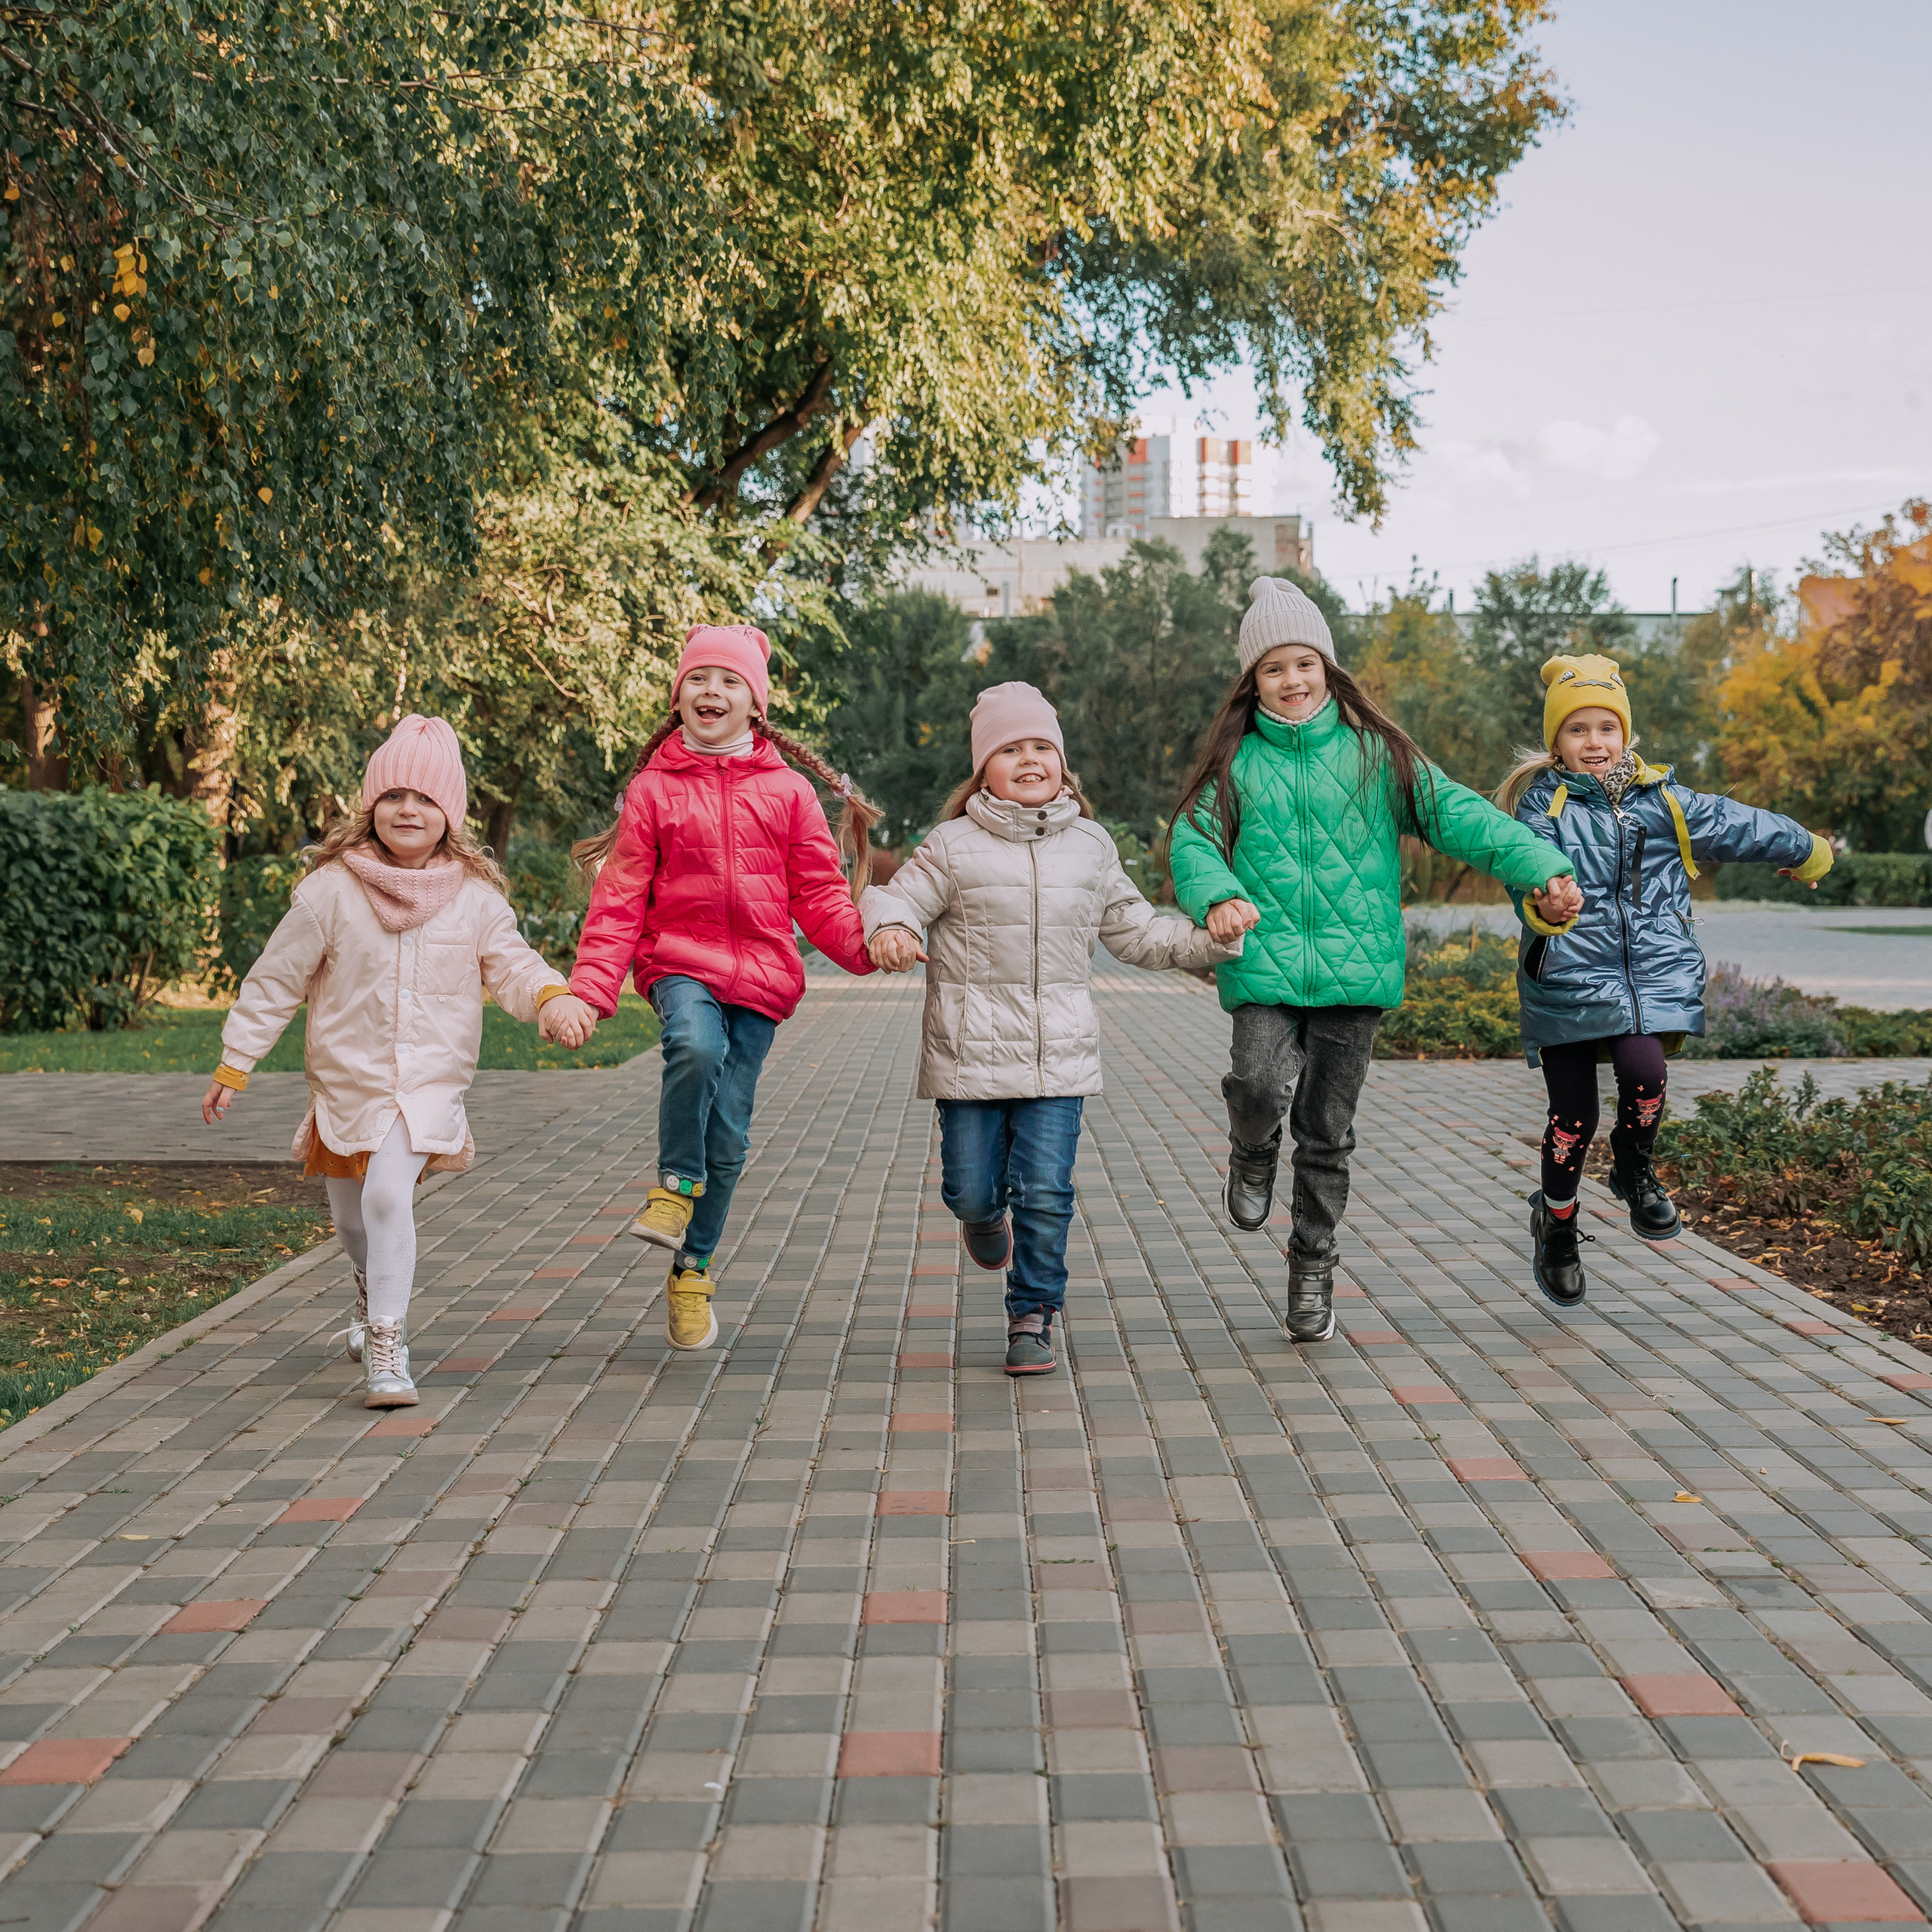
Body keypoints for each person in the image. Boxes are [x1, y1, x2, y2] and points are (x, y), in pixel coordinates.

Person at [1168, 577, 1585, 1343]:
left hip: (1355, 975)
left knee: (1327, 1131)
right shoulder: (1236, 766)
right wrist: (1217, 895)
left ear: (1327, 668)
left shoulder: (1376, 755)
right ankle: (1251, 1146)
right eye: (1272, 668)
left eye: (1304, 663)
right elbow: (1192, 843)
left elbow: (1460, 816)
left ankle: (1312, 1261)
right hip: (1264, 963)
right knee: (1256, 1083)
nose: (1291, 681)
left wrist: (1539, 866)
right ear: (1251, 681)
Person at [202, 715, 597, 1407]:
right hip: (347, 1083)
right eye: (392, 796)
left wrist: (551, 997)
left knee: (388, 1196)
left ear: (451, 814)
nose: (407, 809)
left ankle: (388, 1344)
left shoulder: (474, 900)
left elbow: (511, 964)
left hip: (426, 1083)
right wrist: (236, 1062)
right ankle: (367, 1289)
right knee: (353, 1222)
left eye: (425, 798)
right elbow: (275, 980)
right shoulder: (329, 891)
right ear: (370, 807)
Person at [863, 684, 1235, 1376]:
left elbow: (1137, 932)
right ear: (984, 769)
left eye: (1042, 747)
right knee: (971, 1188)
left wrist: (1211, 939)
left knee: (1047, 1190)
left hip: (1056, 1060)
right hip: (969, 1054)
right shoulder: (951, 846)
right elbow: (897, 896)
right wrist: (889, 927)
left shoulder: (1090, 847)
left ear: (1064, 765)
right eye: (1011, 749)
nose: (1030, 759)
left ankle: (1032, 1313)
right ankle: (982, 1217)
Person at [570, 623, 881, 1350]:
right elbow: (619, 898)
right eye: (698, 679)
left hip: (764, 978)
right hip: (678, 959)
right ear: (678, 695)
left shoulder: (788, 792)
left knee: (732, 1139)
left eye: (729, 680)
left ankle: (694, 1270)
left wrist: (866, 950)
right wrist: (591, 990)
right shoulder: (651, 791)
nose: (711, 691)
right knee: (693, 1044)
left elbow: (819, 892)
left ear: (756, 704)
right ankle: (675, 1186)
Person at [1497, 653, 1832, 1305]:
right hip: (1568, 972)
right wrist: (1546, 900)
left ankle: (1633, 1165)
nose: (1594, 742)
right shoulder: (1542, 805)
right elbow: (1523, 864)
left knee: (1646, 1074)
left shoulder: (1664, 801)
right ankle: (1558, 1224)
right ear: (1556, 741)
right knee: (1573, 1116)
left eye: (1605, 728)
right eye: (1577, 731)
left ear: (1625, 734)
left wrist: (1809, 850)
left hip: (1651, 972)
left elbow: (1742, 824)